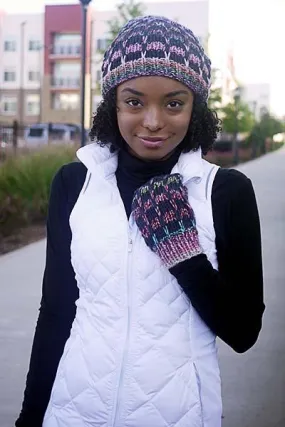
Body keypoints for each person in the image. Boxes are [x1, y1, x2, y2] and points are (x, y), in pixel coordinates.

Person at [15, 16, 265, 427]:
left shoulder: (225, 192)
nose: (152, 122)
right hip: (72, 411)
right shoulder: (74, 182)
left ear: (195, 107)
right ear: (112, 103)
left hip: (179, 415)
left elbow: (242, 332)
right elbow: (56, 312)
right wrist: (30, 417)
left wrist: (182, 251)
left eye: (173, 103)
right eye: (134, 102)